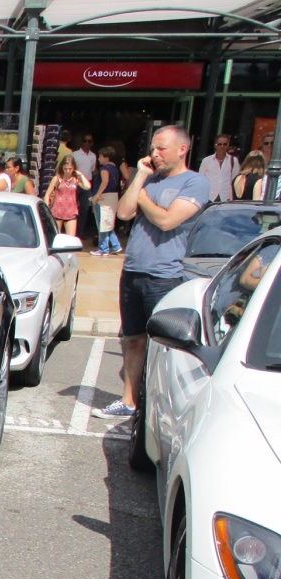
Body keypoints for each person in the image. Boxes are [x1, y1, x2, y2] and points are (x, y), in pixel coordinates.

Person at [94, 124, 209, 420]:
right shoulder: (147, 178)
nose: (154, 154)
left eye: (161, 148)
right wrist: (141, 176)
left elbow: (168, 221)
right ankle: (129, 401)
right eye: (153, 148)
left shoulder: (195, 183)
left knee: (163, 346)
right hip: (133, 270)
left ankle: (157, 405)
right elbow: (123, 213)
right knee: (133, 339)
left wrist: (143, 197)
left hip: (165, 275)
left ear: (182, 149)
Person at [90, 146, 123, 256]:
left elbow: (105, 181)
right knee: (108, 223)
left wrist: (97, 195)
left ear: (106, 158)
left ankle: (103, 248)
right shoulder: (116, 169)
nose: (99, 159)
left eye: (100, 156)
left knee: (102, 224)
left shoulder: (105, 169)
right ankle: (116, 245)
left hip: (103, 198)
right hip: (113, 197)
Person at [44, 158, 90, 235]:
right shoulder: (57, 179)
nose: (68, 171)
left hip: (71, 212)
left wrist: (80, 175)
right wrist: (47, 210)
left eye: (70, 169)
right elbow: (47, 194)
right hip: (57, 211)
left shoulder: (75, 179)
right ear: (62, 168)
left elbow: (87, 186)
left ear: (73, 168)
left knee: (71, 239)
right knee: (56, 237)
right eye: (65, 169)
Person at [72, 133, 99, 241]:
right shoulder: (75, 154)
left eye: (89, 141)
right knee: (72, 208)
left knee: (84, 209)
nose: (87, 143)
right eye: (85, 141)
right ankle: (71, 232)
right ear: (81, 142)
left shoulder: (93, 156)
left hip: (87, 185)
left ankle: (79, 233)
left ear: (92, 143)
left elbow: (93, 171)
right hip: (75, 184)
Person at [199, 134, 239, 202]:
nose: (222, 146)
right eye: (219, 144)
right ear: (215, 145)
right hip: (210, 196)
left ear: (228, 145)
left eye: (225, 144)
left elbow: (235, 179)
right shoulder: (207, 160)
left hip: (226, 196)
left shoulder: (233, 160)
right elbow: (201, 179)